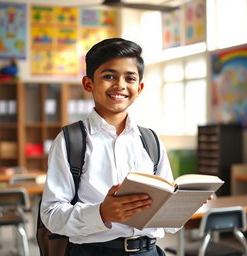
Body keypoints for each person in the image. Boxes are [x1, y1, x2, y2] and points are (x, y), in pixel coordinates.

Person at [41, 38, 178, 256]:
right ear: (88, 84)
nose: (120, 85)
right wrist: (101, 213)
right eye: (109, 76)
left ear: (139, 88)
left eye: (130, 78)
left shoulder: (150, 140)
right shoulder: (70, 140)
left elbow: (168, 219)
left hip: (148, 251)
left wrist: (185, 205)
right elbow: (51, 214)